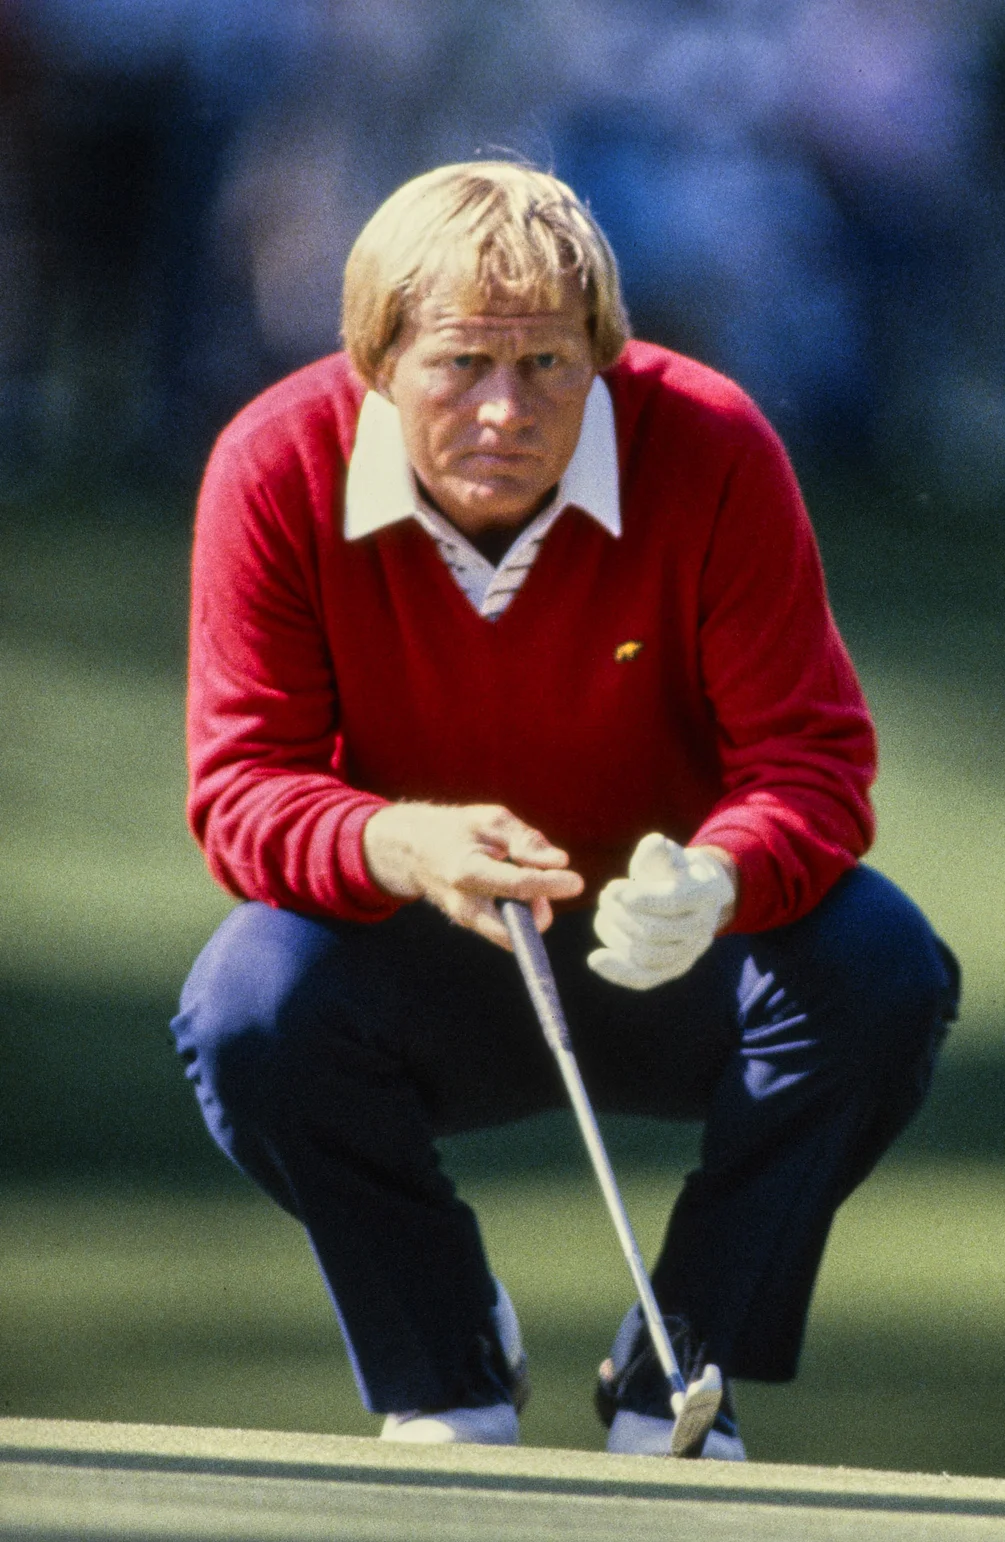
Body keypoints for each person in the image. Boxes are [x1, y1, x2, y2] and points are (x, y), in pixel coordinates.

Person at [172, 161, 958, 1459]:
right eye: (461, 362)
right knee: (249, 1007)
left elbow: (813, 764)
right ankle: (445, 1361)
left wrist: (722, 877)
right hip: (423, 952)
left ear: (602, 353)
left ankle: (678, 1370)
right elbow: (241, 790)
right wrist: (397, 840)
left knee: (880, 967)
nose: (506, 408)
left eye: (548, 366)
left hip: (669, 950)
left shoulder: (707, 444)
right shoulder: (274, 465)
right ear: (376, 359)